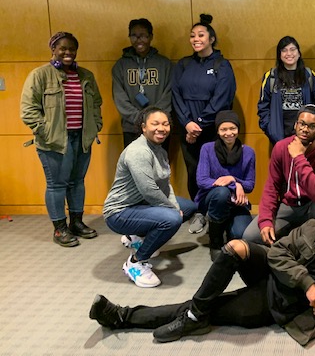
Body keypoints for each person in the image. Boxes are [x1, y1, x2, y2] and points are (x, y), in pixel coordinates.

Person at [89, 193, 315, 347]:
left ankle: (123, 316)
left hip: (278, 304)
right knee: (235, 247)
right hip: (273, 274)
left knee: (204, 307)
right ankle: (195, 316)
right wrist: (307, 283)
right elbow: (278, 253)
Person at [20, 31, 102, 247]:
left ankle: (76, 223)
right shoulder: (40, 75)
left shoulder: (85, 75)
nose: (68, 52)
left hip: (82, 138)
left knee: (77, 182)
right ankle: (59, 229)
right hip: (54, 141)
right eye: (63, 48)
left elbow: (96, 103)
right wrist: (45, 131)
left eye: (72, 49)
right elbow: (28, 109)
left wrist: (96, 125)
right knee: (57, 185)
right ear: (53, 49)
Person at [103, 107, 197, 288]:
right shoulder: (139, 151)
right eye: (155, 124)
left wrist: (175, 206)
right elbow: (148, 190)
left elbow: (165, 184)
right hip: (119, 212)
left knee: (187, 208)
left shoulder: (158, 149)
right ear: (143, 127)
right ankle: (136, 262)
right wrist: (172, 210)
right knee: (171, 219)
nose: (161, 128)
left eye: (165, 124)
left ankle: (136, 236)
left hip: (139, 204)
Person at [172, 13, 236, 233]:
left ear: (211, 39)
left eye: (201, 35)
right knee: (194, 172)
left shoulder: (222, 65)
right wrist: (187, 124)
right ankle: (199, 212)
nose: (196, 39)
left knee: (216, 172)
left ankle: (217, 214)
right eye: (192, 35)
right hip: (187, 129)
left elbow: (222, 99)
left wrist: (198, 124)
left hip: (211, 130)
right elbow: (176, 95)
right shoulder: (183, 64)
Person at [243, 104, 315, 245]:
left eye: (312, 126)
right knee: (251, 236)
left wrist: (299, 157)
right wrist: (266, 220)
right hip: (289, 206)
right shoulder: (281, 147)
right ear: (295, 125)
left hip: (314, 207)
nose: (305, 129)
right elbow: (271, 187)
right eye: (302, 124)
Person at [195, 110, 255, 260]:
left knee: (241, 235)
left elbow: (250, 185)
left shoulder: (248, 152)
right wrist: (234, 185)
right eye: (223, 129)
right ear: (218, 131)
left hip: (236, 203)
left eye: (232, 128)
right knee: (222, 193)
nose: (228, 133)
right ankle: (215, 242)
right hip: (212, 199)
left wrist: (232, 179)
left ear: (238, 129)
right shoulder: (207, 148)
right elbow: (202, 180)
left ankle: (227, 226)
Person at [111, 18, 173, 149]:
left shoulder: (165, 64)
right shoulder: (120, 66)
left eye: (143, 35)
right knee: (133, 161)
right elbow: (119, 97)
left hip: (159, 127)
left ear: (151, 37)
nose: (138, 40)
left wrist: (154, 119)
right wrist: (139, 119)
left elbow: (169, 94)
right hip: (131, 126)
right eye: (134, 35)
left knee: (159, 161)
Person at [257, 36, 315, 145]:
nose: (289, 54)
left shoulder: (309, 76)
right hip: (279, 135)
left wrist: (312, 128)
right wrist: (270, 129)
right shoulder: (271, 77)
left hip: (306, 134)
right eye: (284, 50)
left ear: (299, 53)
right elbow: (263, 106)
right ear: (279, 55)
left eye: (292, 49)